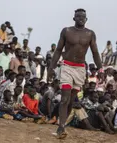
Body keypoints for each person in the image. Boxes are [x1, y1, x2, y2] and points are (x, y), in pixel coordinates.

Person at [47, 8, 102, 139]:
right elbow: (59, 50)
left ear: (86, 19)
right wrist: (51, 68)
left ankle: (63, 124)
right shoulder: (67, 31)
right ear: (74, 18)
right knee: (64, 98)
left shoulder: (90, 34)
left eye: (83, 17)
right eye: (78, 16)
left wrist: (101, 69)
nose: (81, 18)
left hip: (80, 69)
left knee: (71, 100)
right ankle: (61, 128)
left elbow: (95, 52)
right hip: (66, 66)